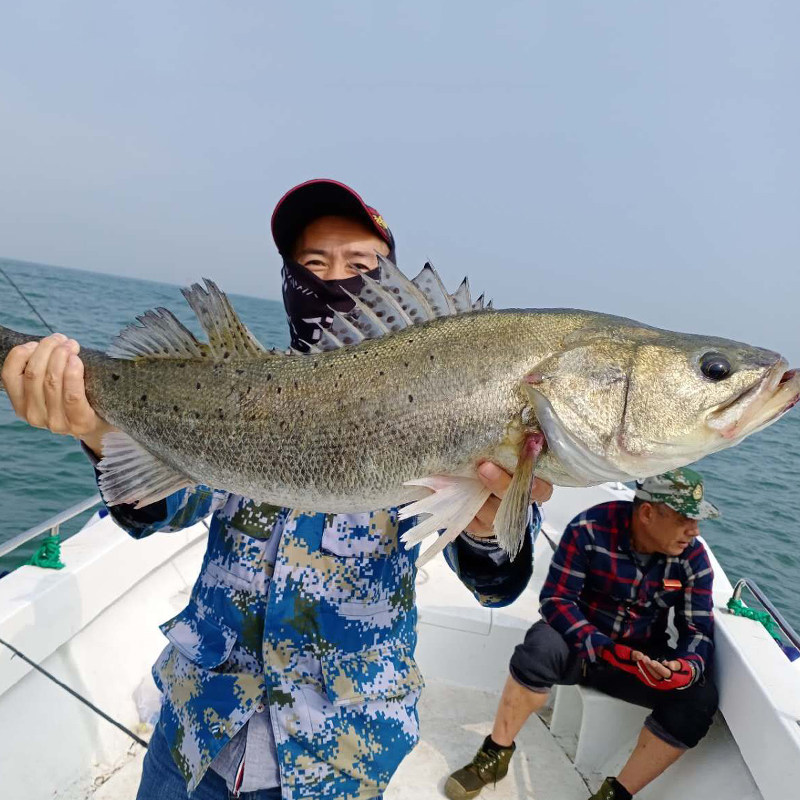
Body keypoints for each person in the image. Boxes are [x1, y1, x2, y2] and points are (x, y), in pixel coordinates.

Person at [0, 178, 553, 800]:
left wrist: (484, 527)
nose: (334, 278)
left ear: (392, 286)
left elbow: (495, 585)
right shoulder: (242, 385)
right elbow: (159, 510)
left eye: (360, 264)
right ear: (289, 278)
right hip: (194, 734)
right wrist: (97, 431)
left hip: (338, 758)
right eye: (313, 263)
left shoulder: (449, 401)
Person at [444, 468, 720, 800]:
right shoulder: (590, 528)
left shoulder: (693, 558)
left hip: (639, 660)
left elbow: (697, 629)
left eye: (697, 520)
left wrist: (684, 668)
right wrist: (603, 647)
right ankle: (495, 754)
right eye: (684, 519)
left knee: (698, 698)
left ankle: (615, 794)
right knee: (540, 646)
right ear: (647, 513)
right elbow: (557, 601)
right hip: (581, 647)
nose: (694, 530)